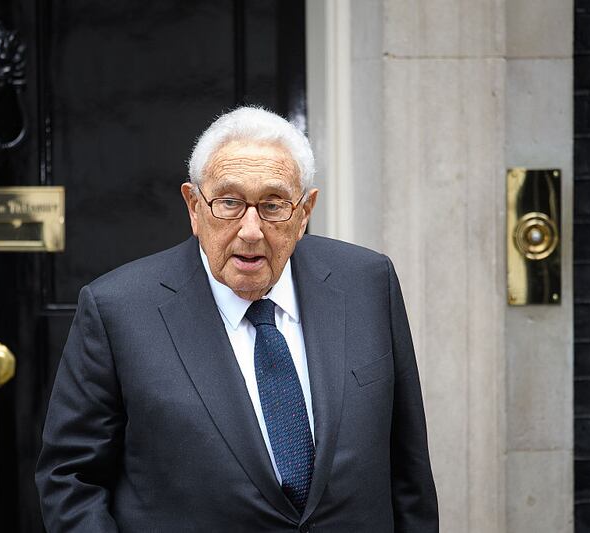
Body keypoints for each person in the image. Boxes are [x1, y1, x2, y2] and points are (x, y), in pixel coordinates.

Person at [35, 106, 439, 532]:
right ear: (194, 206)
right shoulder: (117, 309)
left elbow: (408, 468)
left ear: (304, 212)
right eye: (228, 203)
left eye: (272, 204)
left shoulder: (367, 283)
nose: (250, 230)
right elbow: (70, 480)